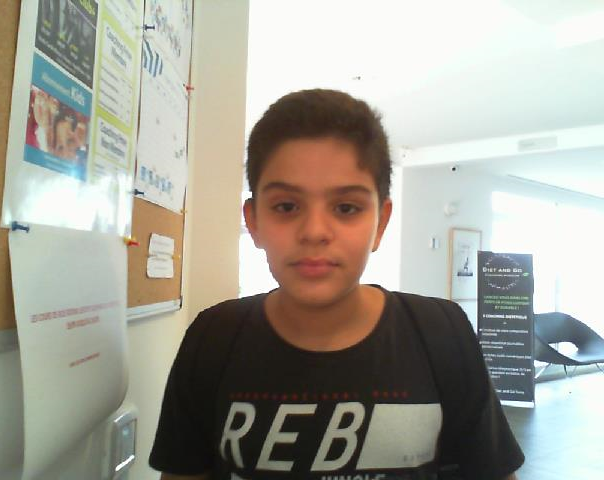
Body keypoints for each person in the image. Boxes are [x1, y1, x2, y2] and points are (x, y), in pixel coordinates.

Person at [149, 89, 524, 480]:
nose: (314, 231)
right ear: (254, 221)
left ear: (380, 223)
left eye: (346, 208)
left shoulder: (441, 333)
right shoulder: (214, 337)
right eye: (286, 206)